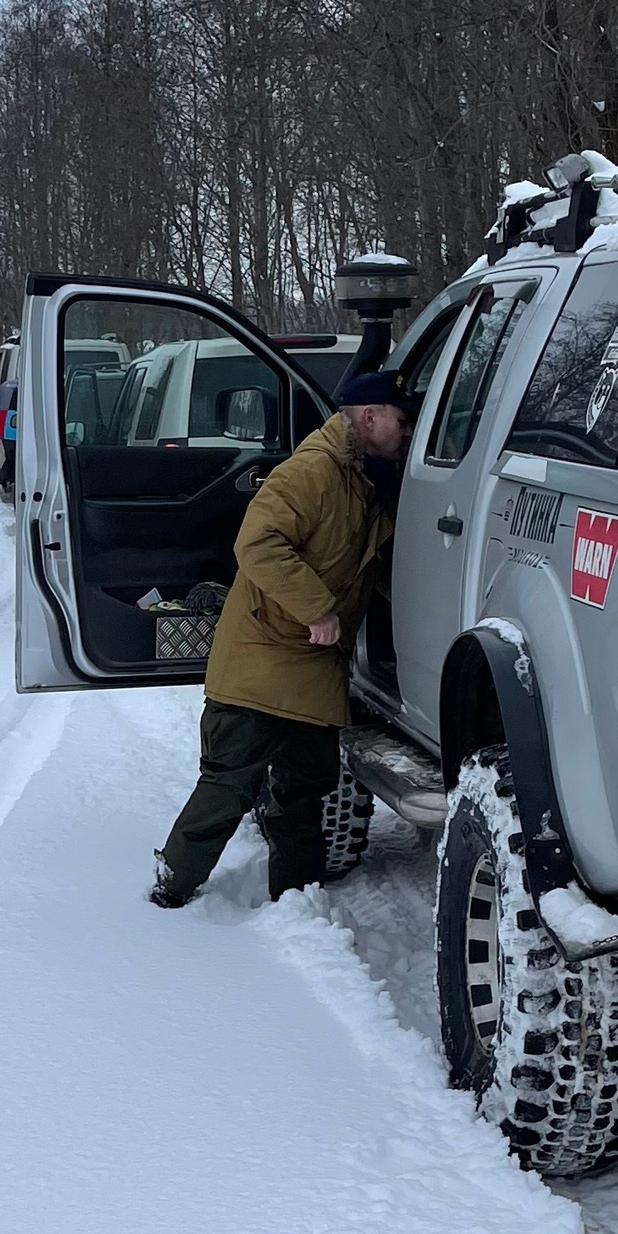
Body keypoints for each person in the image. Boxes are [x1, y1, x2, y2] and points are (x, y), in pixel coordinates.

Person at [149, 373, 415, 908]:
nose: (408, 431)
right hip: (262, 663)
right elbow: (257, 543)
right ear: (369, 417)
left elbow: (370, 566)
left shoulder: (365, 480)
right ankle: (170, 894)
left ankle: (296, 899)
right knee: (229, 786)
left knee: (304, 793)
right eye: (402, 420)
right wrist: (316, 607)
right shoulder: (312, 471)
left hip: (314, 668)